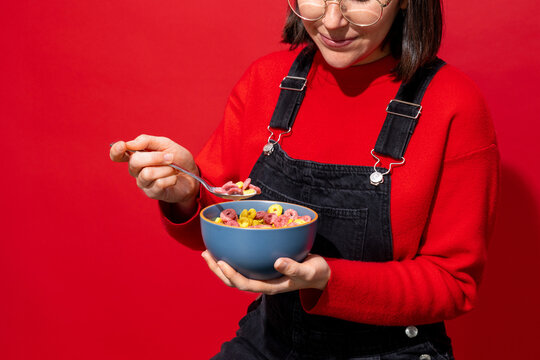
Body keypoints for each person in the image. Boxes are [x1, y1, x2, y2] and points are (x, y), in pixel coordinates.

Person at [110, 0, 499, 358]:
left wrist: (325, 278)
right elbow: (224, 223)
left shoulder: (453, 103)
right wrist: (187, 192)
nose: (331, 22)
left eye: (360, 0)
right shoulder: (267, 80)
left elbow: (453, 283)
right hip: (269, 342)